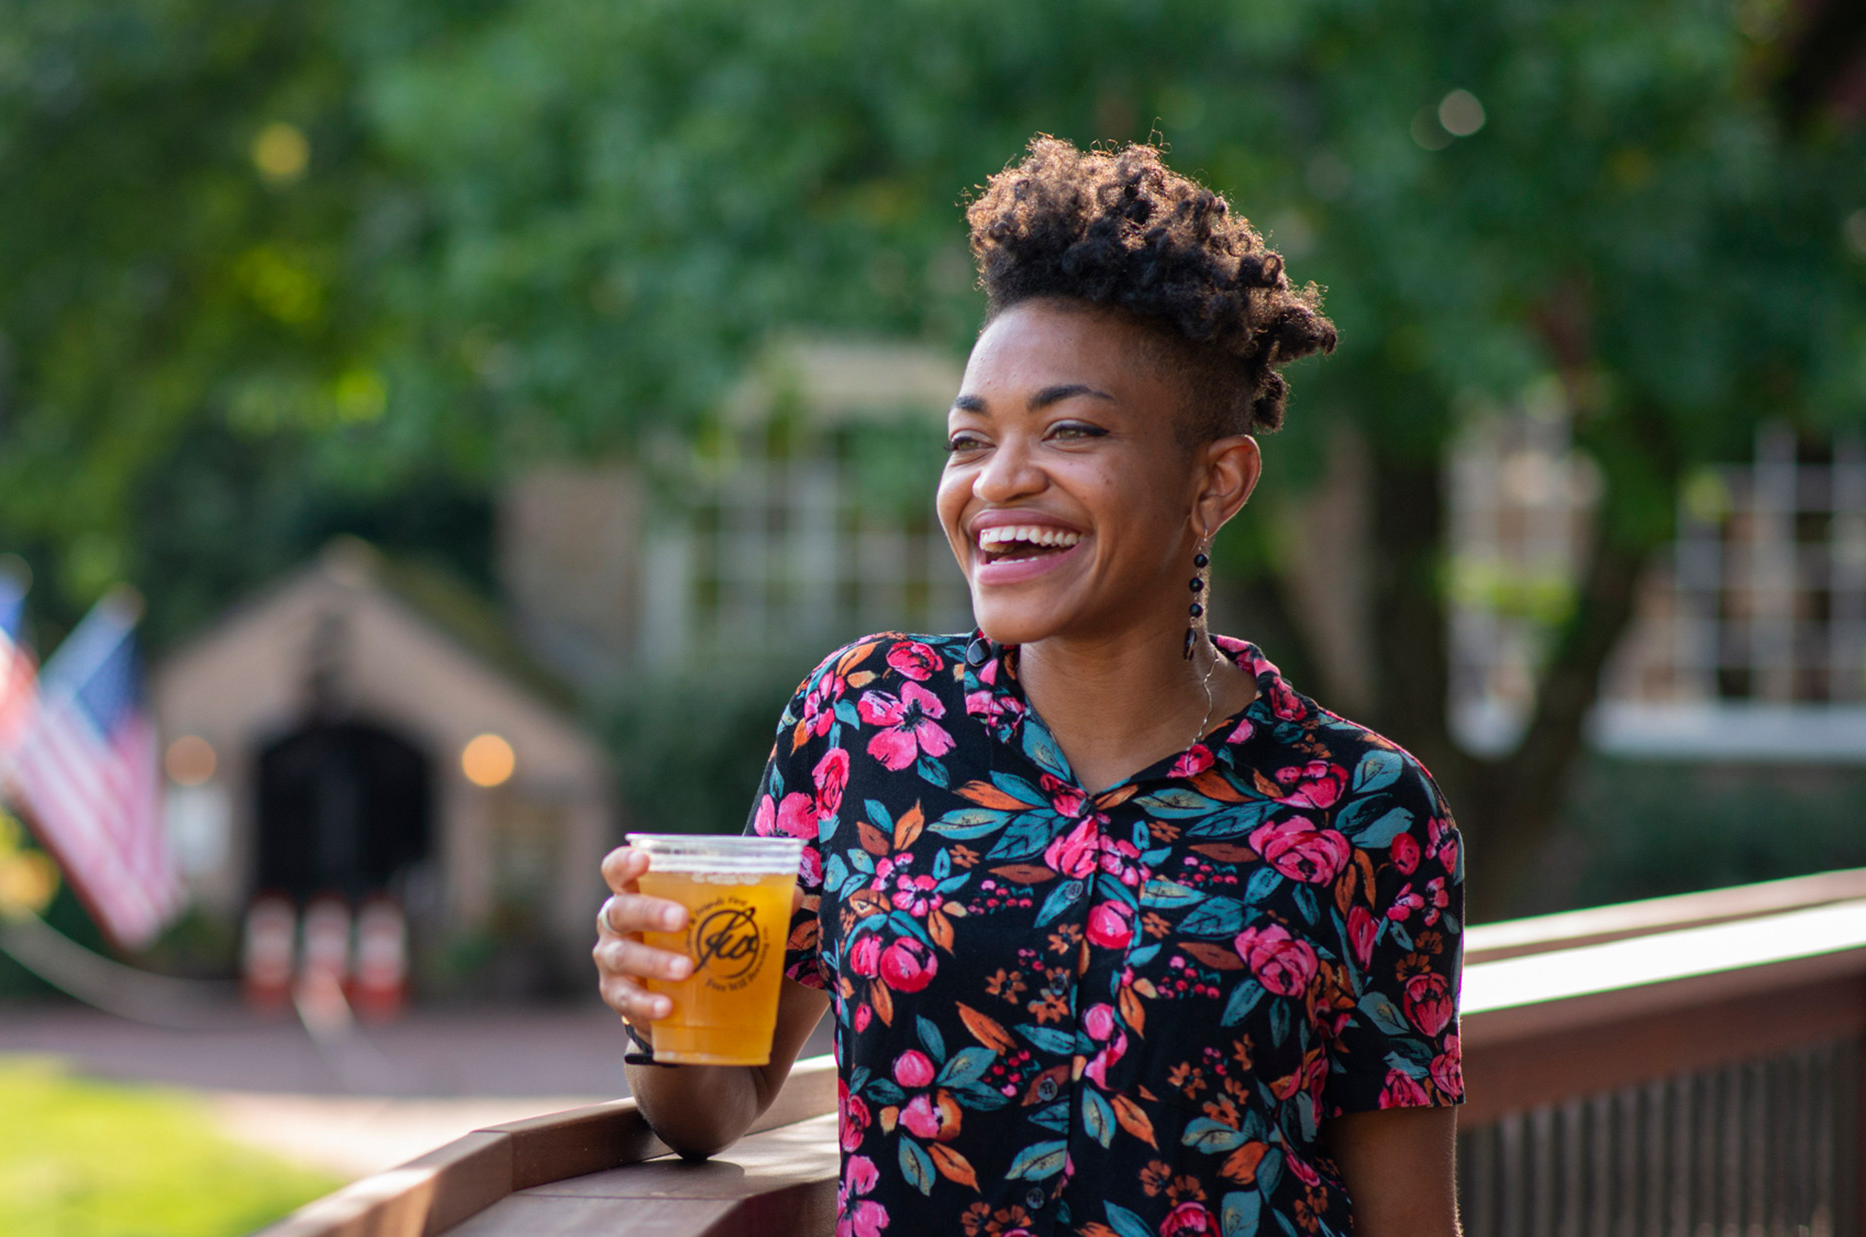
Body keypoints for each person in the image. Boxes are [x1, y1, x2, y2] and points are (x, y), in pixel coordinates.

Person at [594, 136, 1465, 1237]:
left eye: (1070, 430)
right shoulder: (863, 720)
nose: (999, 480)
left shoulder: (1365, 807)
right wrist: (664, 1004)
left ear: (1215, 482)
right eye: (969, 440)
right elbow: (716, 1103)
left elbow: (1409, 1221)